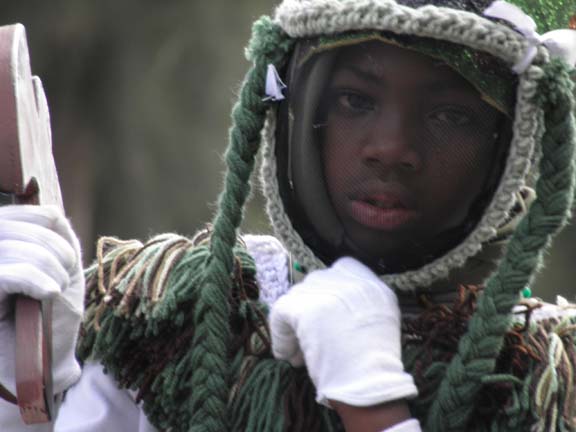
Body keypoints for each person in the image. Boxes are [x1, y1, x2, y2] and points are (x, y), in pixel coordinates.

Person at [1, 0, 575, 430]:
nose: (391, 148)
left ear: (508, 149)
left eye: (450, 116)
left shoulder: (547, 380)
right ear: (296, 112)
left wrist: (374, 405)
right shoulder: (174, 318)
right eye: (355, 100)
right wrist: (29, 393)